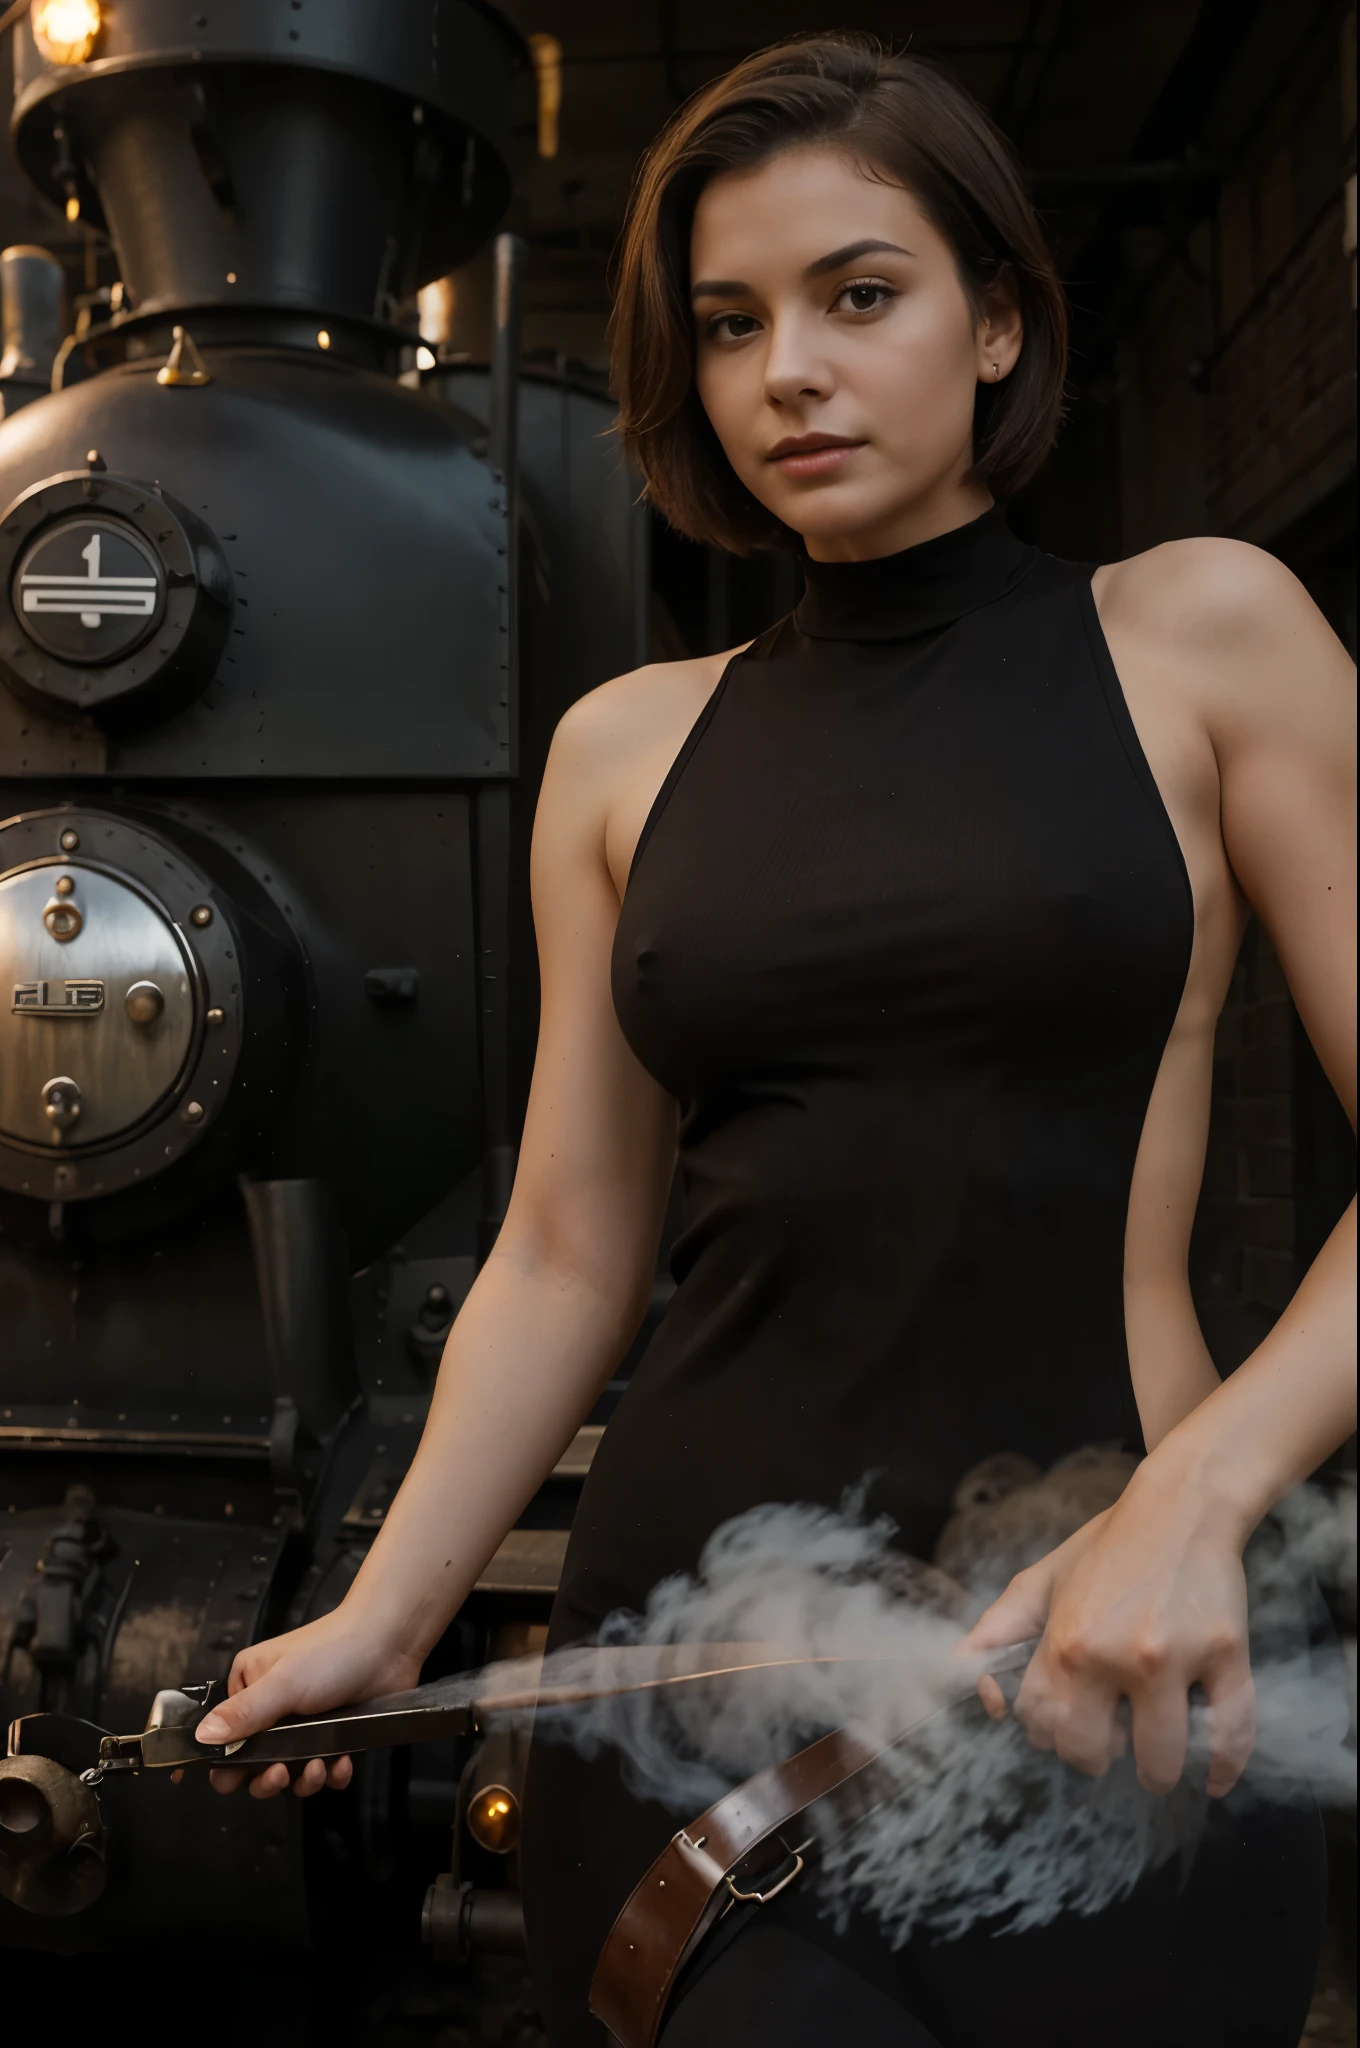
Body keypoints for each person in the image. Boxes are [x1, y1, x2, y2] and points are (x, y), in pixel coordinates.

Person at [192, 36, 1355, 2047]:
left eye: (858, 295)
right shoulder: (625, 748)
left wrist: (1196, 1499)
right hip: (686, 1672)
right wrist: (380, 1610)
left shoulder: (1204, 638)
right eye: (727, 325)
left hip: (1098, 1640)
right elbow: (567, 1249)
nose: (784, 374)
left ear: (996, 320)